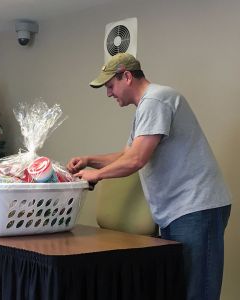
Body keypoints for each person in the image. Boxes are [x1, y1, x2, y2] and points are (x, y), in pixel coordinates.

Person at [67, 53, 231, 300]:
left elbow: (136, 160)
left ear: (127, 77)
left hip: (196, 207)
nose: (109, 93)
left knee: (197, 292)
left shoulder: (156, 100)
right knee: (179, 288)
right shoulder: (148, 106)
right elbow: (127, 154)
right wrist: (89, 160)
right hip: (177, 212)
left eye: (111, 86)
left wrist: (96, 175)